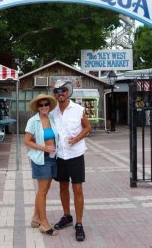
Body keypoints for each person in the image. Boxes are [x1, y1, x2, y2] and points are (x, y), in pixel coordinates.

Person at [51, 80, 92, 242]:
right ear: (54, 94)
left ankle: (79, 224)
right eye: (56, 91)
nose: (60, 93)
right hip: (60, 155)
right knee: (62, 186)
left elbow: (87, 127)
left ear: (67, 92)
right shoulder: (52, 111)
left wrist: (77, 139)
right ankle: (67, 216)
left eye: (62, 90)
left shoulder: (78, 109)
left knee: (77, 189)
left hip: (75, 154)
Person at [24, 94, 59, 236]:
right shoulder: (33, 121)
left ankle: (35, 218)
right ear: (37, 107)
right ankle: (44, 223)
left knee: (43, 190)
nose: (44, 107)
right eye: (41, 105)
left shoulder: (51, 118)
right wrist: (44, 148)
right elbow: (27, 141)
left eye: (46, 104)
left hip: (52, 158)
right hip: (41, 158)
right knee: (43, 191)